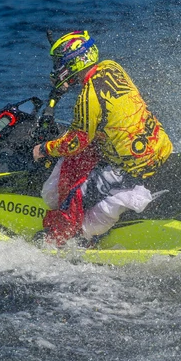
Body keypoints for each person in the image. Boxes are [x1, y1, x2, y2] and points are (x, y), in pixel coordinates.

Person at [32, 31, 173, 245]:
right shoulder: (111, 67)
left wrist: (44, 149)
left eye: (59, 62)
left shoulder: (88, 98)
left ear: (73, 61)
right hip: (159, 146)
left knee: (72, 191)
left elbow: (74, 142)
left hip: (134, 168)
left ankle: (74, 237)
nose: (57, 67)